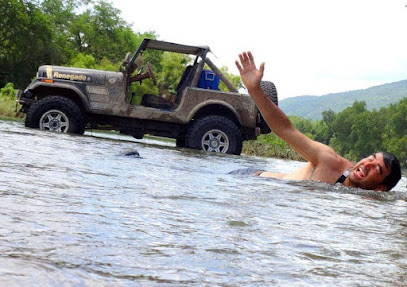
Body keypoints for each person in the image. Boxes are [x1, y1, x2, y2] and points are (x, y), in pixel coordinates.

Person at [234, 51, 401, 191]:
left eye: (376, 169)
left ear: (380, 189)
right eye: (370, 159)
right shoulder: (330, 161)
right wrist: (254, 89)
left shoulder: (365, 199)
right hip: (249, 180)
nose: (367, 165)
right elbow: (286, 129)